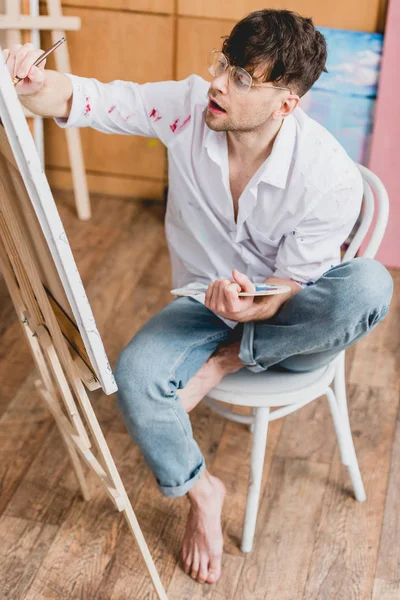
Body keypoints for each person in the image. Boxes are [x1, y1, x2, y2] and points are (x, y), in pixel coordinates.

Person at [4, 9, 393, 585]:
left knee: (368, 284)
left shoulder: (326, 175)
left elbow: (296, 289)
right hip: (201, 301)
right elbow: (85, 99)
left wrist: (250, 317)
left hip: (291, 324)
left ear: (286, 104)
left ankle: (226, 360)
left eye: (243, 78)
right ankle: (200, 493)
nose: (219, 82)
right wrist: (31, 83)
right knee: (135, 376)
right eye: (224, 63)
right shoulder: (189, 108)